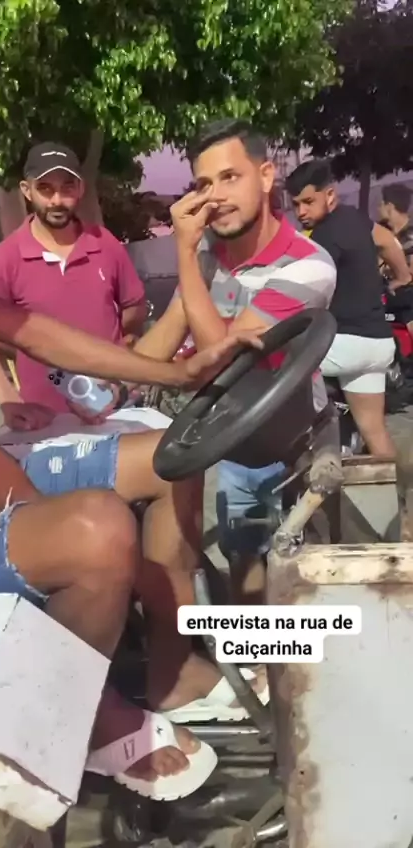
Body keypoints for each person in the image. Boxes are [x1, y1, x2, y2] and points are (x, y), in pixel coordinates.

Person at [0, 110, 265, 800]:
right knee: (97, 530)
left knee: (174, 451)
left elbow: (33, 331)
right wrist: (74, 528)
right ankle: (73, 718)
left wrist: (175, 373)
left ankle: (172, 665)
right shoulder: (4, 255)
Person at [128, 119, 337, 607]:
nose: (216, 196)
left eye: (230, 177)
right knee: (243, 559)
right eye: (204, 184)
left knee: (306, 575)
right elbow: (167, 333)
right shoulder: (208, 254)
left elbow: (225, 361)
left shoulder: (309, 265)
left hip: (296, 442)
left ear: (265, 176)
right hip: (237, 439)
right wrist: (113, 378)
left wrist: (183, 252)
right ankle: (253, 650)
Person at [0, 142, 147, 416]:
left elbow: (134, 307)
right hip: (47, 418)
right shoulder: (3, 260)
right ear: (26, 190)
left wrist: (109, 348)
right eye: (45, 188)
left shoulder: (105, 243)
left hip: (114, 404)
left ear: (80, 188)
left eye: (67, 187)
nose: (57, 200)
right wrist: (36, 352)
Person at [285, 159, 412, 458]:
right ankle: (393, 487)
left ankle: (312, 455)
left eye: (308, 202)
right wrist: (403, 276)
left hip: (342, 347)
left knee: (276, 366)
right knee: (375, 431)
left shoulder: (323, 239)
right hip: (378, 345)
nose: (301, 212)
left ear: (329, 195)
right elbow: (387, 241)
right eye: (296, 205)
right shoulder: (356, 218)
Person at [378, 183, 413, 340]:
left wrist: (391, 284)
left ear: (389, 206)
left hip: (405, 296)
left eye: (381, 204)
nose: (378, 208)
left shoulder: (410, 235)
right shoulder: (384, 235)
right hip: (389, 296)